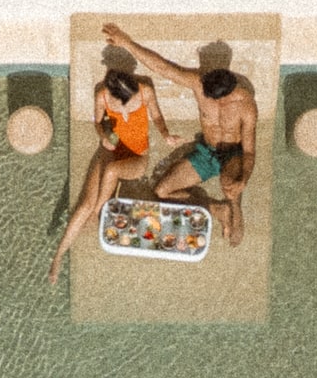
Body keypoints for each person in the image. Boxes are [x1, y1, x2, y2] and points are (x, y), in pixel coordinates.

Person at [100, 23, 257, 248]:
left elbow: (249, 151)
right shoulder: (199, 83)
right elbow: (164, 68)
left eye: (218, 100)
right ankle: (217, 209)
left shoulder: (246, 105)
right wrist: (127, 43)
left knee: (230, 189)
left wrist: (243, 179)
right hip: (207, 152)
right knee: (162, 192)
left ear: (230, 93)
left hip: (232, 155)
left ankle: (234, 201)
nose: (211, 102)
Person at [47, 67, 171, 285]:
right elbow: (97, 121)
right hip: (111, 148)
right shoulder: (102, 94)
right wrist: (103, 136)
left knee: (111, 174)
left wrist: (165, 134)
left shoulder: (145, 91)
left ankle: (97, 213)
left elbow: (157, 116)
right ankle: (57, 258)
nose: (129, 101)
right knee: (84, 204)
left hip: (137, 157)